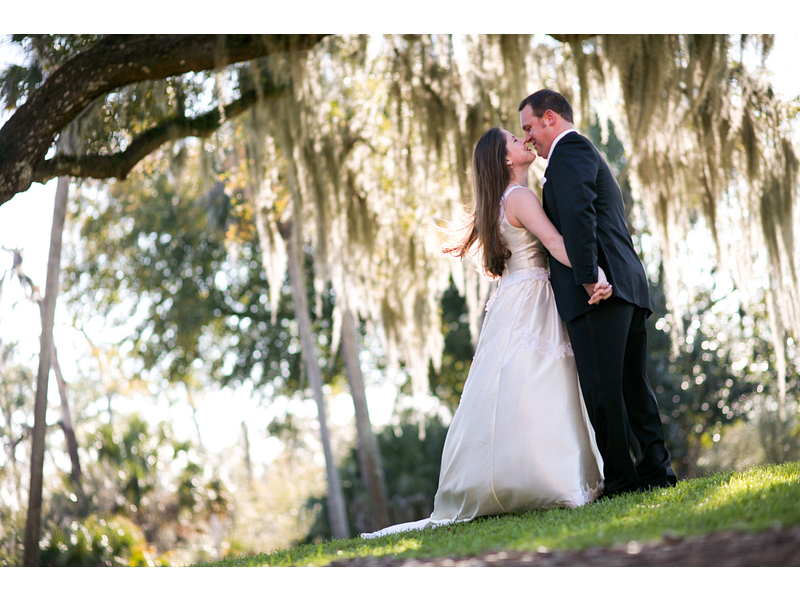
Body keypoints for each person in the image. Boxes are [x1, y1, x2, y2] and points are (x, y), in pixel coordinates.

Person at [361, 127, 610, 539]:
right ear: (505, 160)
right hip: (533, 297)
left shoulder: (497, 203)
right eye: (515, 140)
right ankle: (555, 476)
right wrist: (593, 274)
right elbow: (553, 242)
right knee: (543, 381)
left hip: (511, 299)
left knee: (512, 386)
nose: (524, 142)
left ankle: (511, 476)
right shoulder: (520, 197)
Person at [518, 89, 677, 498]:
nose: (528, 137)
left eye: (529, 127)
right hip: (626, 285)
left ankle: (623, 481)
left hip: (600, 292)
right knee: (631, 384)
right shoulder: (579, 153)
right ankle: (656, 469)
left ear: (549, 117)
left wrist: (588, 277)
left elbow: (579, 214)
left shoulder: (569, 153)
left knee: (603, 389)